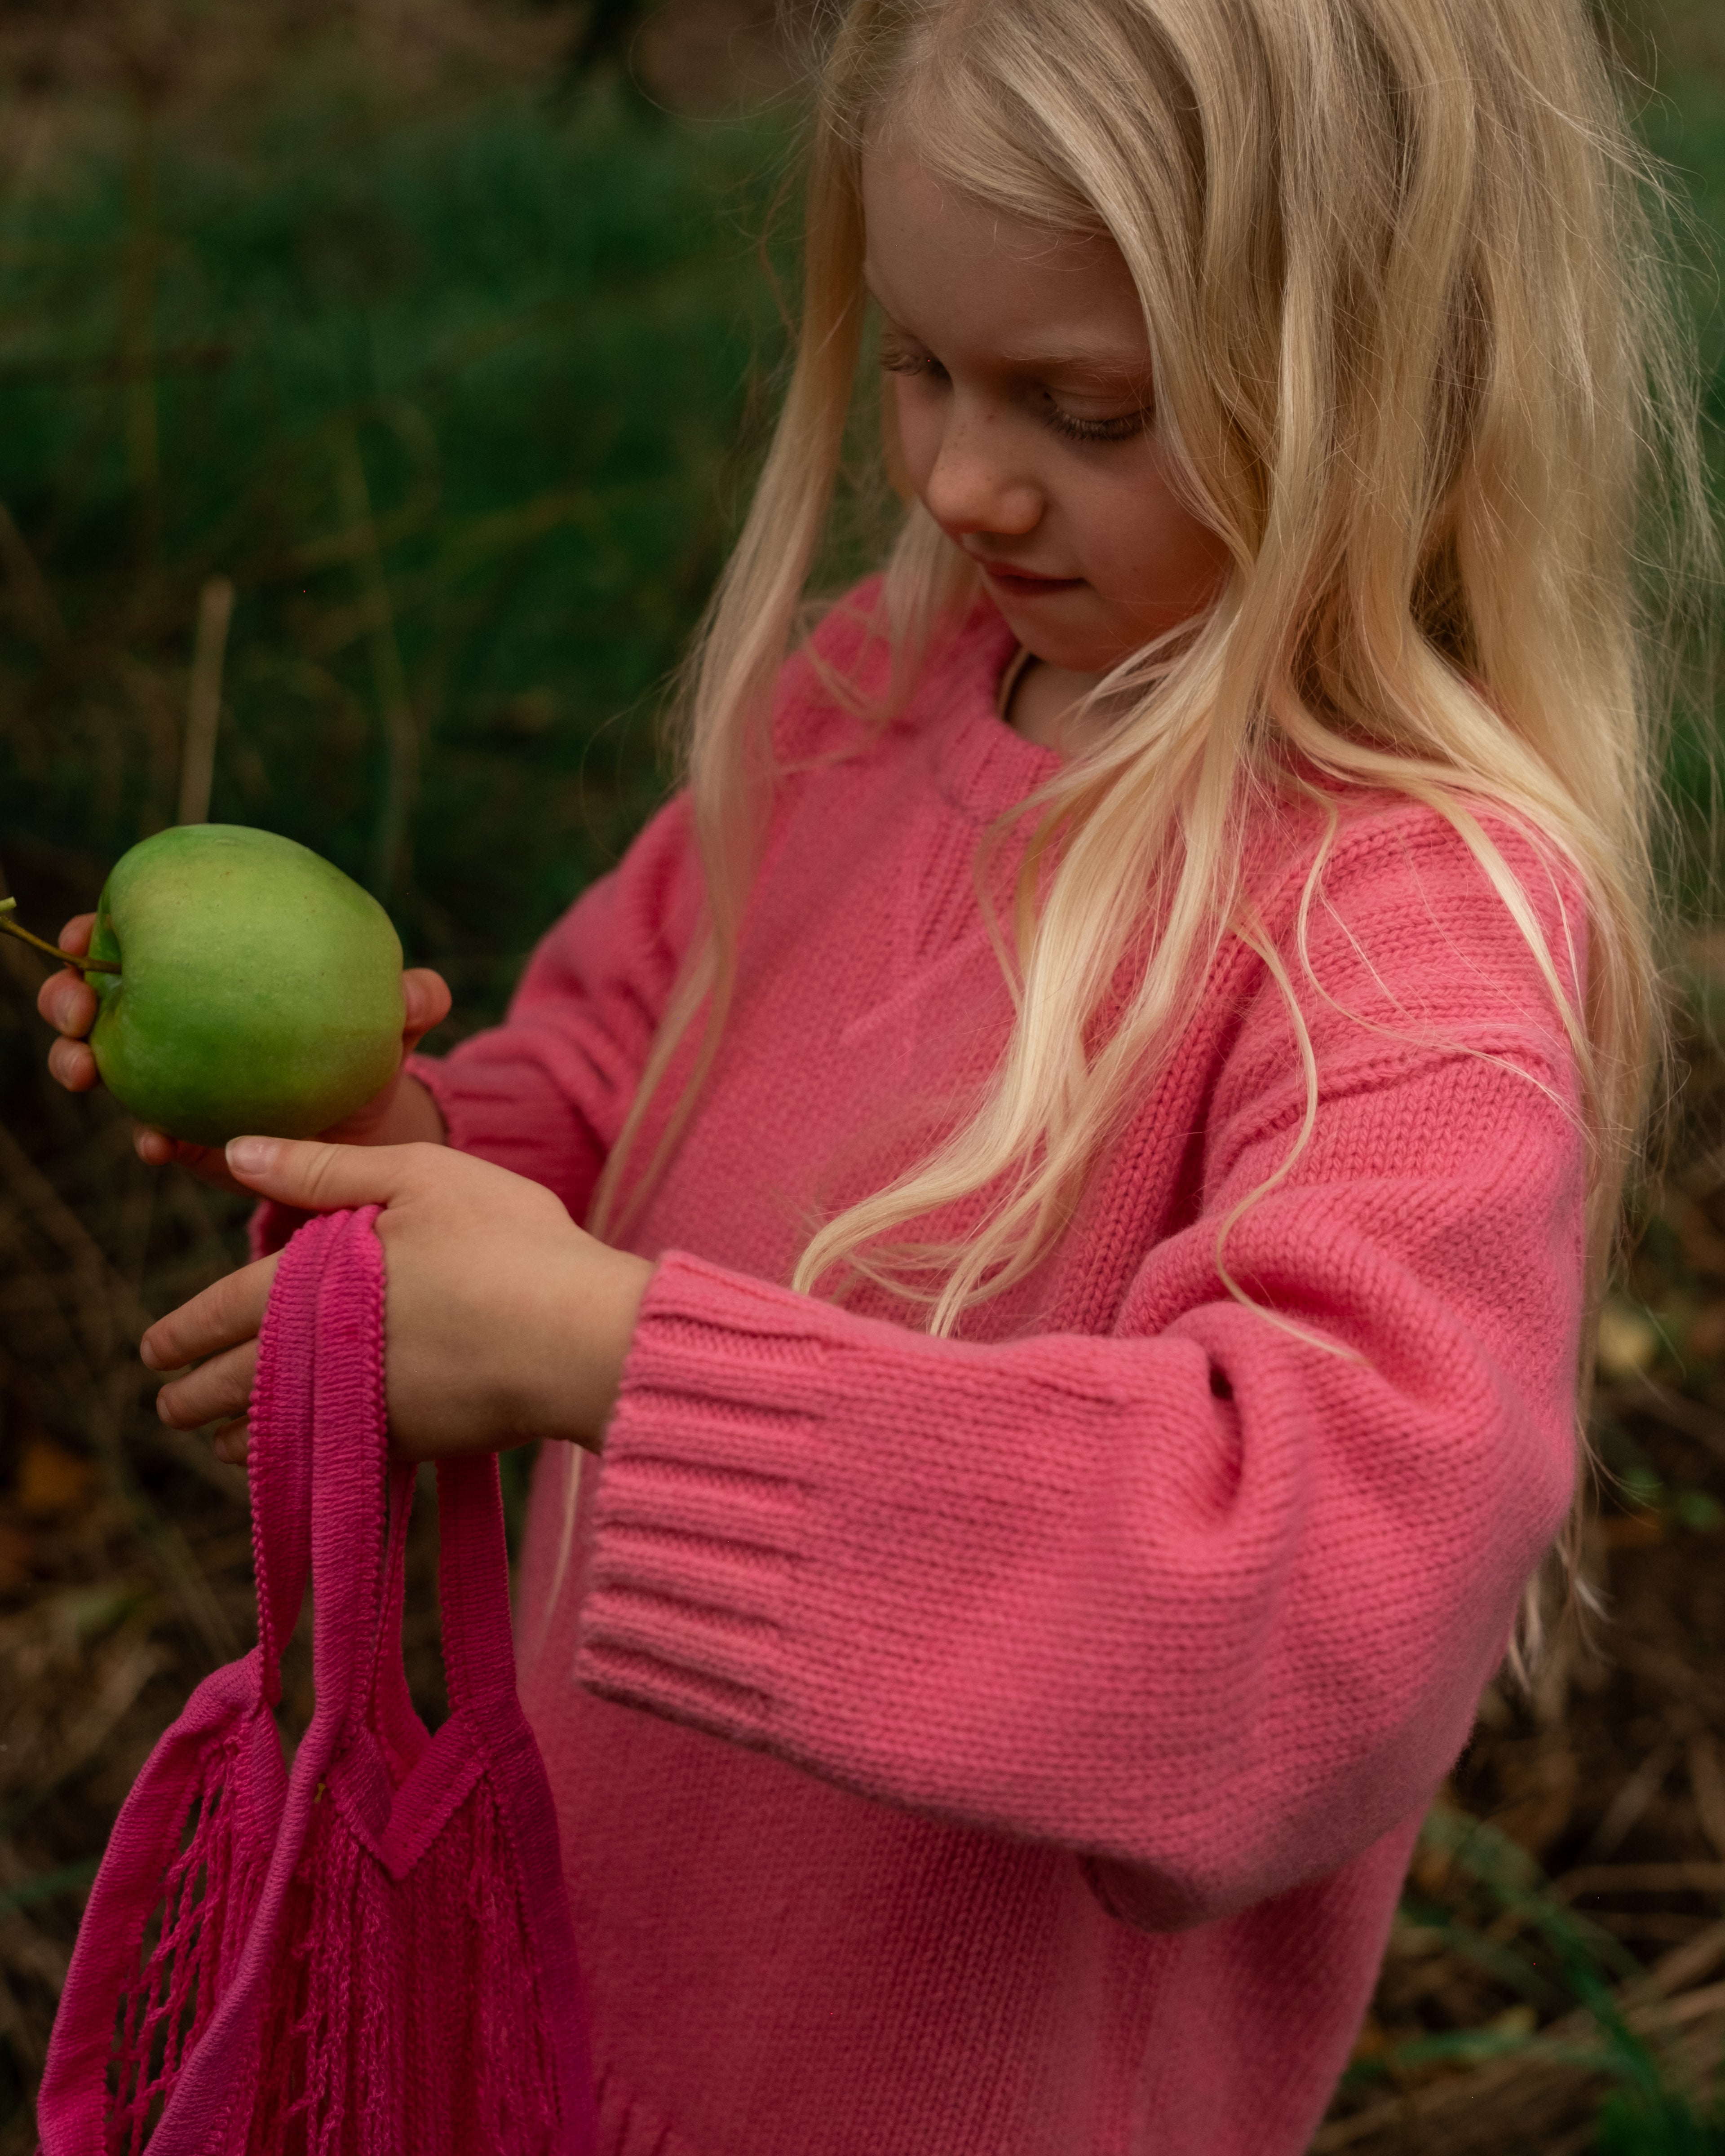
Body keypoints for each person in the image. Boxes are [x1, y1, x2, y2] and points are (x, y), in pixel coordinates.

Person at [39, 0, 1715, 2148]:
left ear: (1387, 383)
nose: (952, 478)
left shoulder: (1405, 929)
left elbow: (1313, 1608)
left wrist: (605, 1365)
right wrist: (383, 1147)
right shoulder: (871, 690)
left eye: (1082, 406)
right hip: (567, 2032)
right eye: (921, 368)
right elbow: (591, 1097)